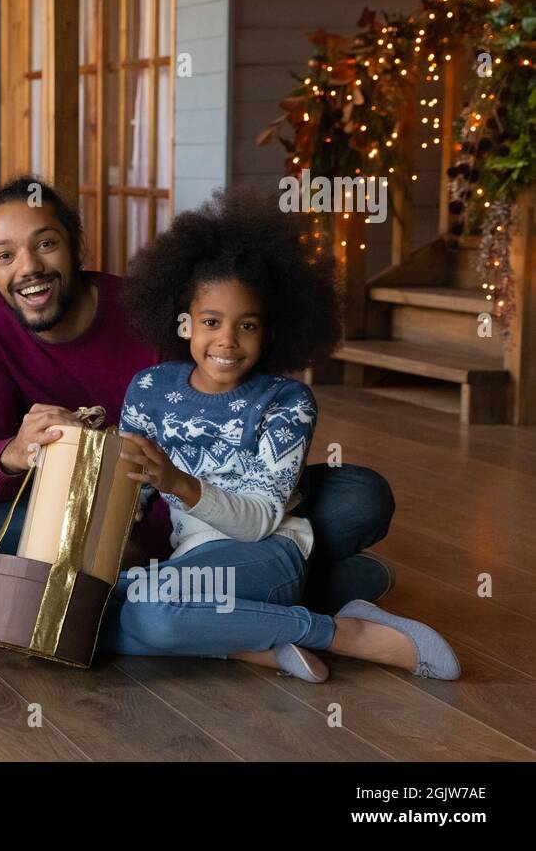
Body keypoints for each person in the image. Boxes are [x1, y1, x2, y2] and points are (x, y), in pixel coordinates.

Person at [0, 176, 397, 615]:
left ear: (76, 246)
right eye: (5, 255)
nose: (29, 266)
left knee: (361, 496)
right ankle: (284, 581)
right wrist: (14, 452)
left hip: (199, 495)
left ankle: (179, 585)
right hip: (88, 514)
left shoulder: (144, 307)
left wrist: (170, 487)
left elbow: (231, 397)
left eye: (46, 243)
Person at [98, 187, 458, 681]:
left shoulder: (287, 403)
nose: (227, 340)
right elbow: (130, 498)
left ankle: (338, 632)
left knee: (147, 612)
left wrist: (178, 482)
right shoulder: (149, 388)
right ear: (183, 325)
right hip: (193, 561)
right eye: (210, 322)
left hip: (270, 553)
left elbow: (260, 520)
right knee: (89, 616)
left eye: (247, 325)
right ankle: (253, 645)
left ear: (269, 333)